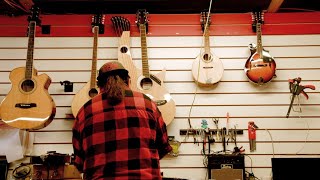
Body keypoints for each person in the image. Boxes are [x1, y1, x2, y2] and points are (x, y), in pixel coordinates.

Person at [72, 61, 172, 180]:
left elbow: (79, 162)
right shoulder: (148, 105)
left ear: (99, 86)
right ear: (128, 81)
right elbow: (163, 147)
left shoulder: (84, 112)